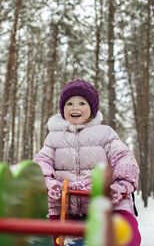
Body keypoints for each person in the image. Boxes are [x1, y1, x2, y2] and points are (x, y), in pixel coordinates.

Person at [34, 79, 141, 246]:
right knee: (47, 237)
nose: (75, 107)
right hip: (64, 205)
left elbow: (124, 158)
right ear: (63, 110)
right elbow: (42, 160)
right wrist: (47, 180)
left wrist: (122, 183)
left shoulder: (105, 133)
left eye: (81, 103)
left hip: (106, 203)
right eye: (69, 103)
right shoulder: (54, 138)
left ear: (92, 110)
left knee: (126, 234)